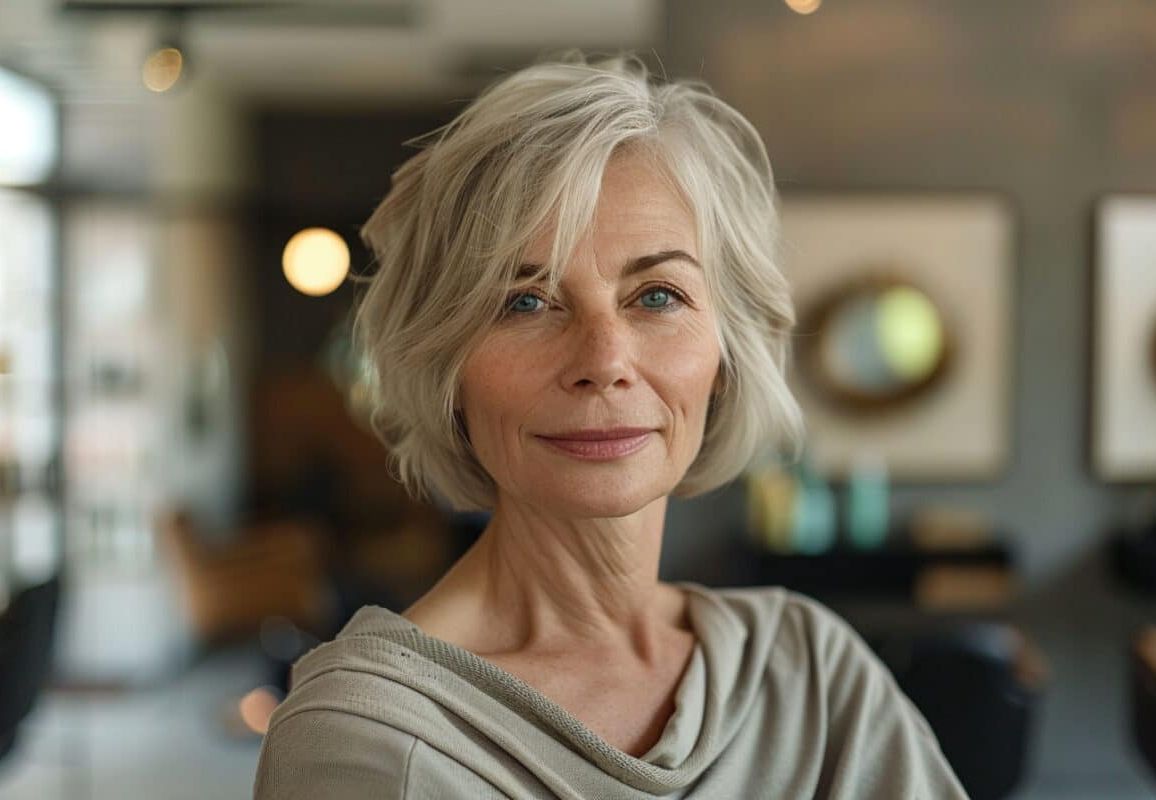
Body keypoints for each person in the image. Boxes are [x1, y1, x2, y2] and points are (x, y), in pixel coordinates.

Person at [254, 51, 969, 799]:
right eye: (525, 301)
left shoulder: (814, 677)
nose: (604, 360)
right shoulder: (368, 742)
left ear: (727, 350)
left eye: (658, 296)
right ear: (445, 364)